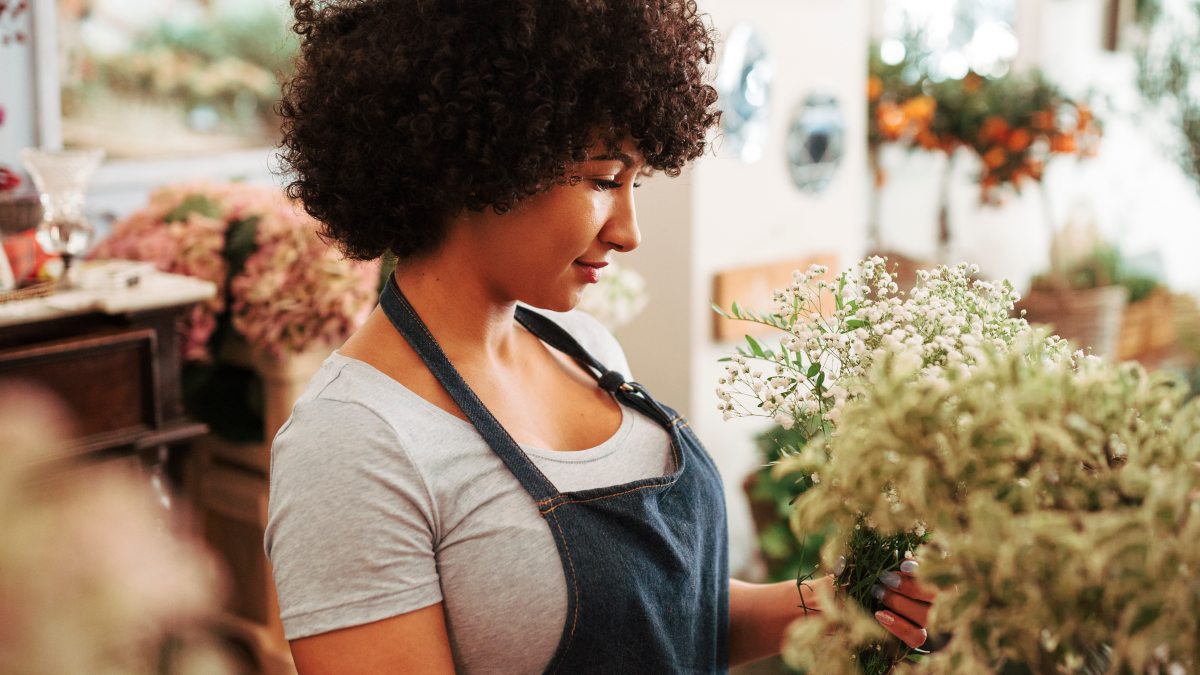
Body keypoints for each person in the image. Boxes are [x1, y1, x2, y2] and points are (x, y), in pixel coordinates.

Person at [264, 1, 933, 672]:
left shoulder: (585, 349)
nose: (629, 230)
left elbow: (663, 620)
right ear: (485, 160)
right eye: (604, 180)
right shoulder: (353, 444)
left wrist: (835, 601)